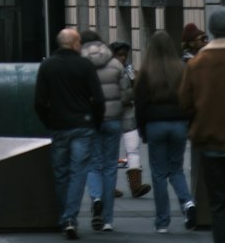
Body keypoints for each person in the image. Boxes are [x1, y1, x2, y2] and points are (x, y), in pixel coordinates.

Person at [34, 27, 105, 241]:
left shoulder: (48, 66)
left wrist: (49, 121)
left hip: (59, 125)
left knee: (61, 173)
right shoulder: (84, 65)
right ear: (75, 44)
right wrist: (95, 123)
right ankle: (70, 218)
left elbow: (39, 102)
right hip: (83, 126)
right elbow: (99, 100)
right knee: (78, 172)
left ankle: (65, 218)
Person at [180, 5, 225, 243]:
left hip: (210, 139)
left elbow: (184, 103)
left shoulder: (196, 65)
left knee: (219, 202)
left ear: (212, 31)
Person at [134, 29, 196, 233]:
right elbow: (189, 97)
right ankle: (187, 203)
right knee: (176, 169)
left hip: (155, 124)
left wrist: (142, 129)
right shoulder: (181, 68)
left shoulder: (146, 71)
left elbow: (140, 104)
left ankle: (162, 222)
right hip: (178, 123)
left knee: (159, 173)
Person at [81, 29, 126, 232]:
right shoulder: (116, 64)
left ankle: (96, 197)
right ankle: (108, 219)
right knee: (110, 168)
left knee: (93, 165)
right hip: (113, 121)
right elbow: (127, 94)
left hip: (91, 121)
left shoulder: (80, 66)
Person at [109, 39, 151, 200]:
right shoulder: (114, 70)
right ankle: (110, 186)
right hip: (118, 113)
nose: (122, 58)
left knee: (132, 148)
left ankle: (135, 186)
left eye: (124, 55)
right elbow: (127, 94)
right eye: (120, 55)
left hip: (124, 114)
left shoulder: (128, 70)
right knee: (113, 150)